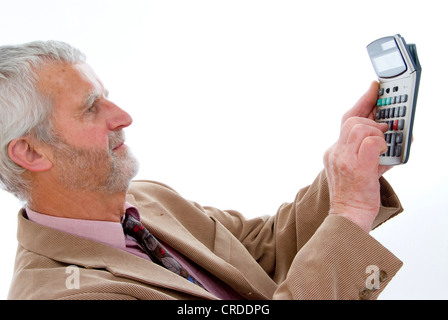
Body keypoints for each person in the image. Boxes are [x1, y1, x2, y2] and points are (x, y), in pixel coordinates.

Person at [1, 40, 403, 300]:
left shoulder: (148, 199)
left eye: (107, 98)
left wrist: (353, 169)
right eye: (91, 107)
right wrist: (349, 213)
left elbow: (264, 251)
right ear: (31, 153)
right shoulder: (65, 295)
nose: (123, 117)